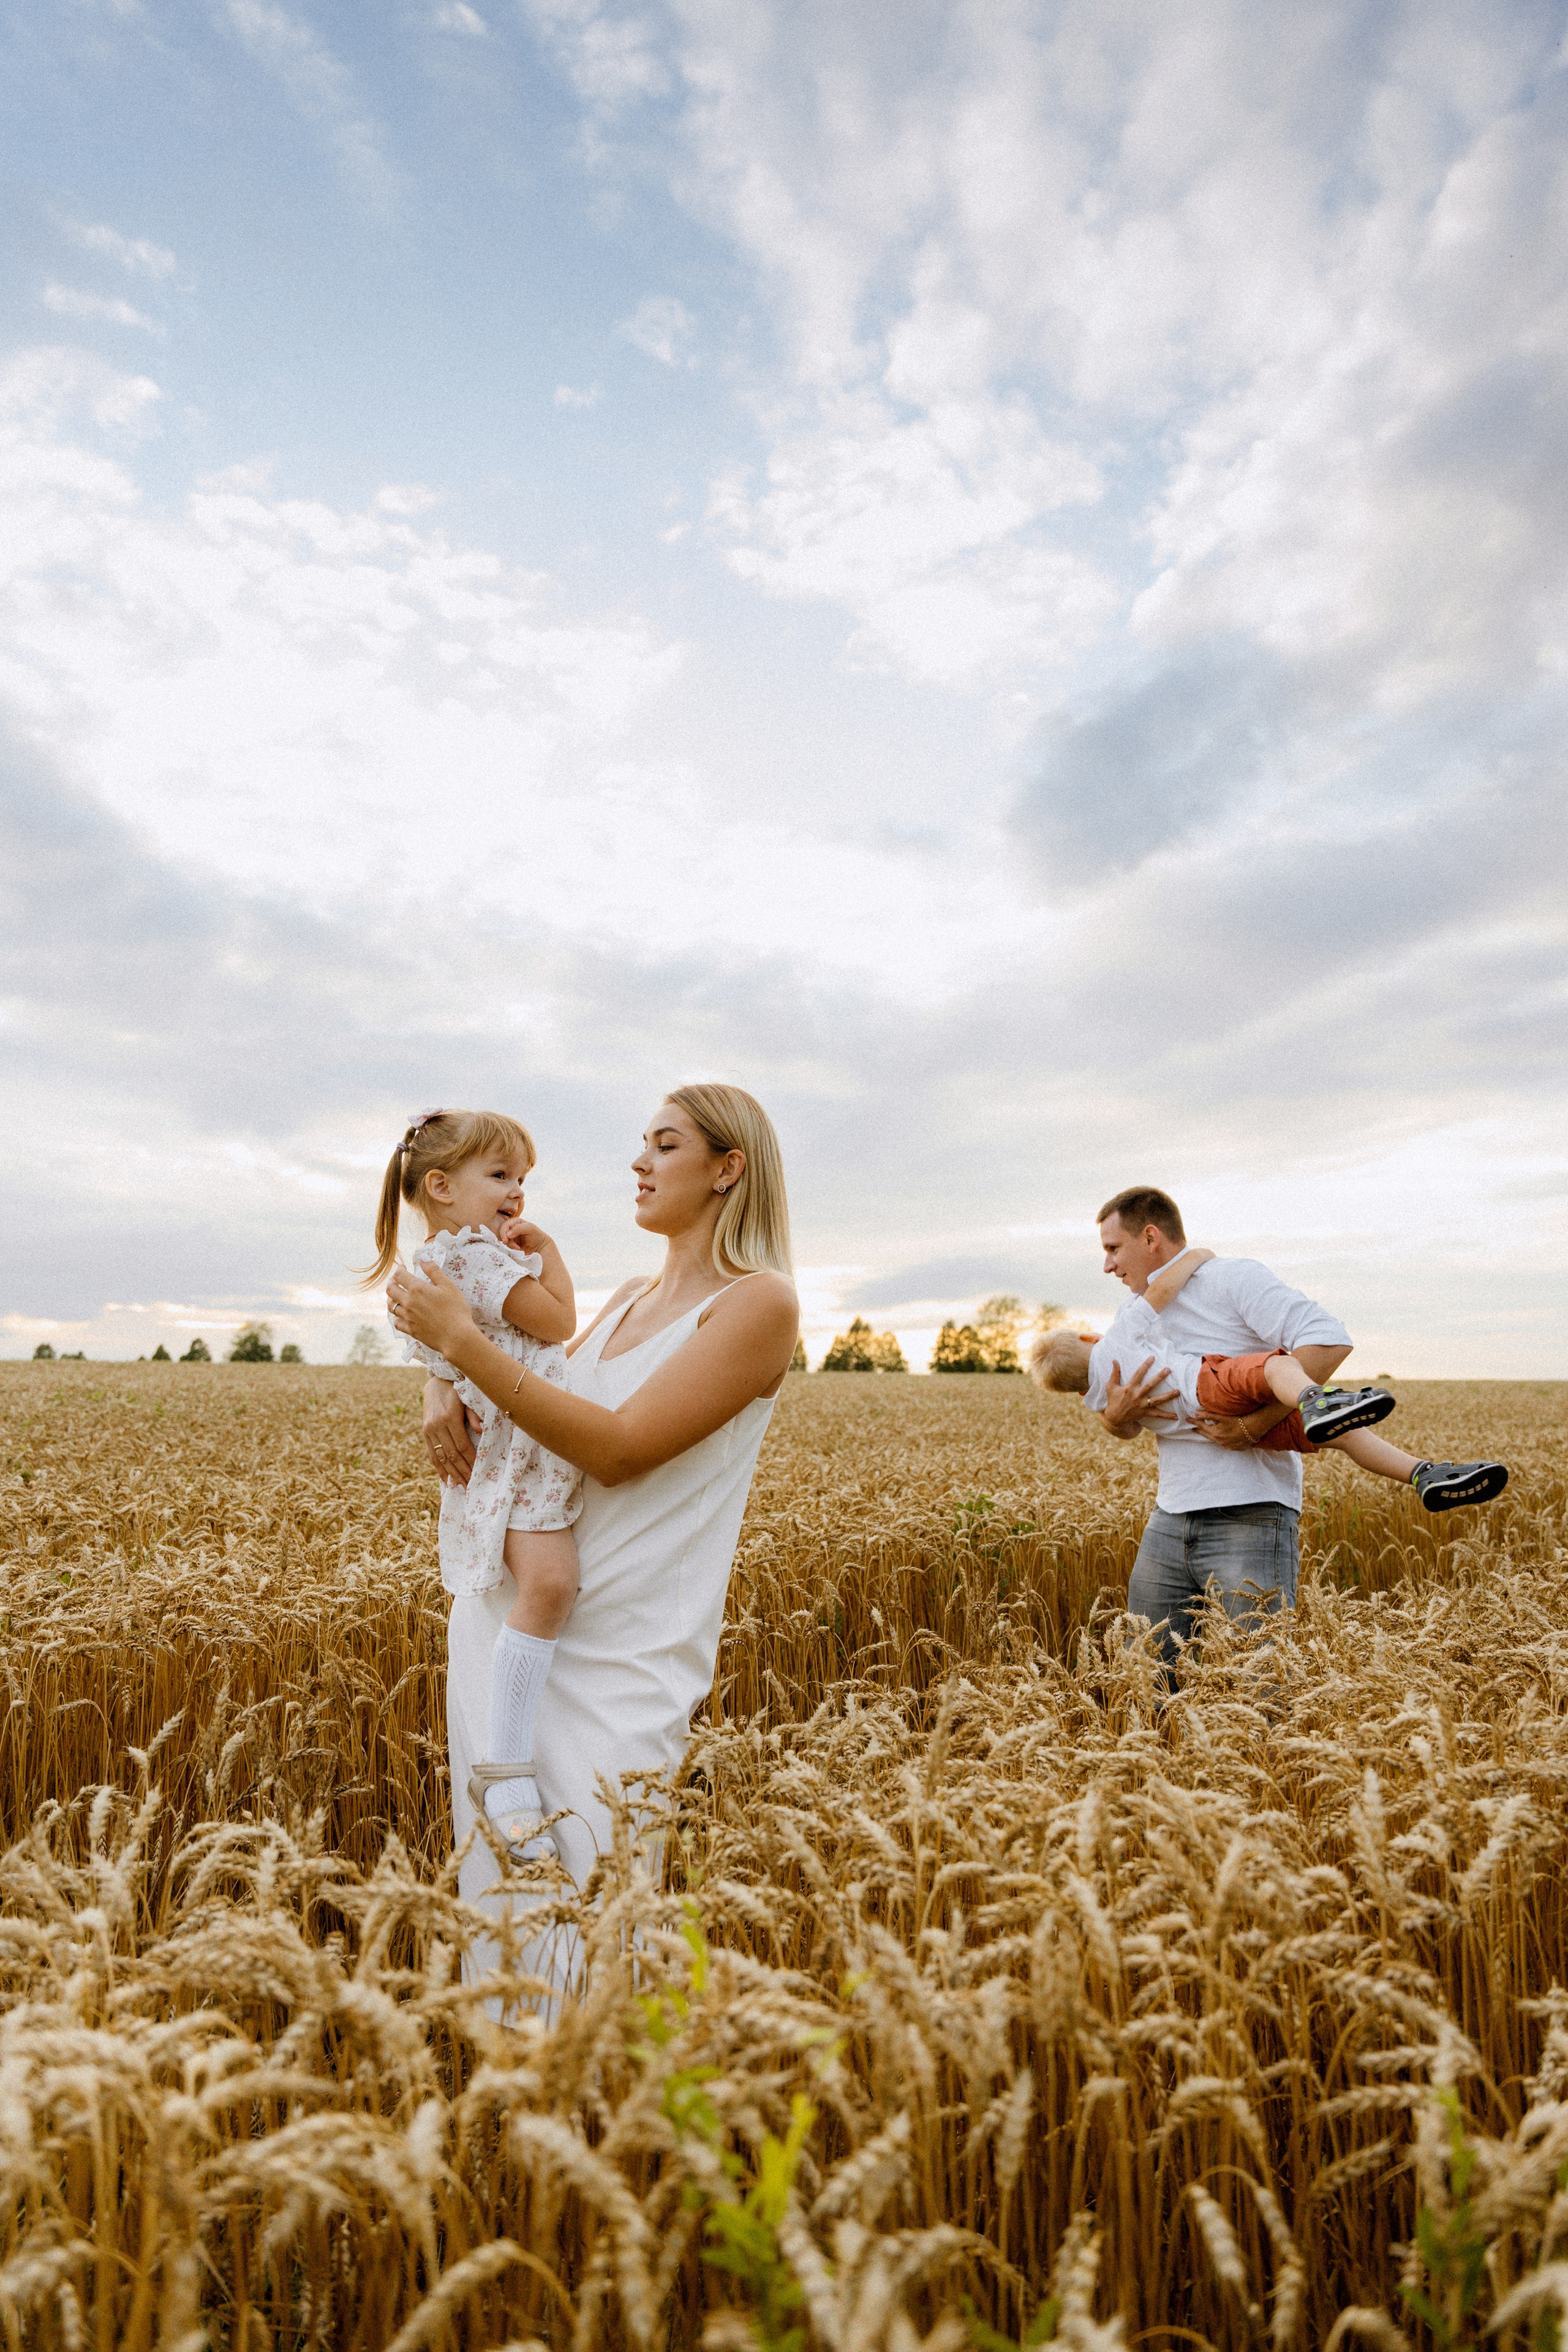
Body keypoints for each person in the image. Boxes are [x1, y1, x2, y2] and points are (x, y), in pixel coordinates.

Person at [386, 1082, 799, 1977]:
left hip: (621, 1661)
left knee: (598, 1934)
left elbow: (614, 1451)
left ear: (728, 1170)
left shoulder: (760, 1305)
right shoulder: (616, 1301)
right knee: (504, 1923)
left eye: (664, 1145)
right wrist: (440, 1379)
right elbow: (525, 1400)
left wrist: (461, 1349)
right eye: (641, 1144)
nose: (639, 1162)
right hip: (509, 1643)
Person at [363, 1107, 582, 1859]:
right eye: (499, 1176)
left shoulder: (430, 1263)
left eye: (522, 1179)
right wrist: (548, 1251)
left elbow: (442, 1357)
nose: (517, 1193)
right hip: (522, 1448)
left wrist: (440, 1381)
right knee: (550, 1586)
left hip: (502, 1448)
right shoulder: (482, 1261)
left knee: (544, 1585)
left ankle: (507, 1762)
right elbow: (558, 1324)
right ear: (441, 1186)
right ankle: (508, 1766)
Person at [1084, 1186, 1355, 1665]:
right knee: (1145, 1678)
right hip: (1170, 1515)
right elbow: (1126, 1424)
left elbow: (1328, 1342)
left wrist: (1254, 1425)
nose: (1107, 1266)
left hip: (1250, 1514)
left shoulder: (1232, 1279)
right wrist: (1116, 1418)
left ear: (1150, 1238)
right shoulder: (1134, 1314)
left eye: (1112, 1249)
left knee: (1261, 1683)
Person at [1031, 1246, 1509, 1510]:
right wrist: (1197, 1255)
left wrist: (1116, 1418)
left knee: (1339, 1438)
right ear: (1089, 1339)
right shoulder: (1116, 1338)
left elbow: (1127, 1427)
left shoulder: (1097, 1399)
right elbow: (1162, 1290)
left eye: (1114, 1248)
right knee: (1278, 1364)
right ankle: (1319, 1404)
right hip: (1205, 1382)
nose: (1110, 1261)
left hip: (1208, 1426)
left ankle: (1422, 1474)